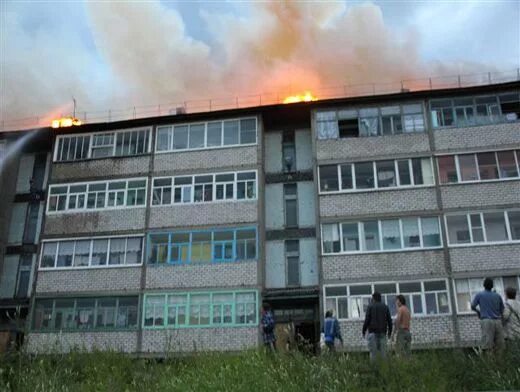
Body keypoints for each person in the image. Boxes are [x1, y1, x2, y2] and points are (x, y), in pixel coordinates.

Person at [471, 278, 505, 352]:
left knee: (487, 346)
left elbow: (472, 306)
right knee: (499, 346)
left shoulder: (479, 295)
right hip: (498, 321)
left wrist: (478, 312)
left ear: (484, 285)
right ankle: (499, 362)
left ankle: (489, 362)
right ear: (492, 286)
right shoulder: (497, 296)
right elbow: (502, 310)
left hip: (486, 321)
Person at [362, 292, 392, 361]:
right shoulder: (385, 307)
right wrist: (390, 332)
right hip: (382, 333)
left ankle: (374, 369)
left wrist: (363, 330)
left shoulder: (370, 306)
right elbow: (389, 320)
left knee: (373, 353)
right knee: (383, 354)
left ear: (373, 298)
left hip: (373, 333)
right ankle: (384, 369)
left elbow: (367, 320)